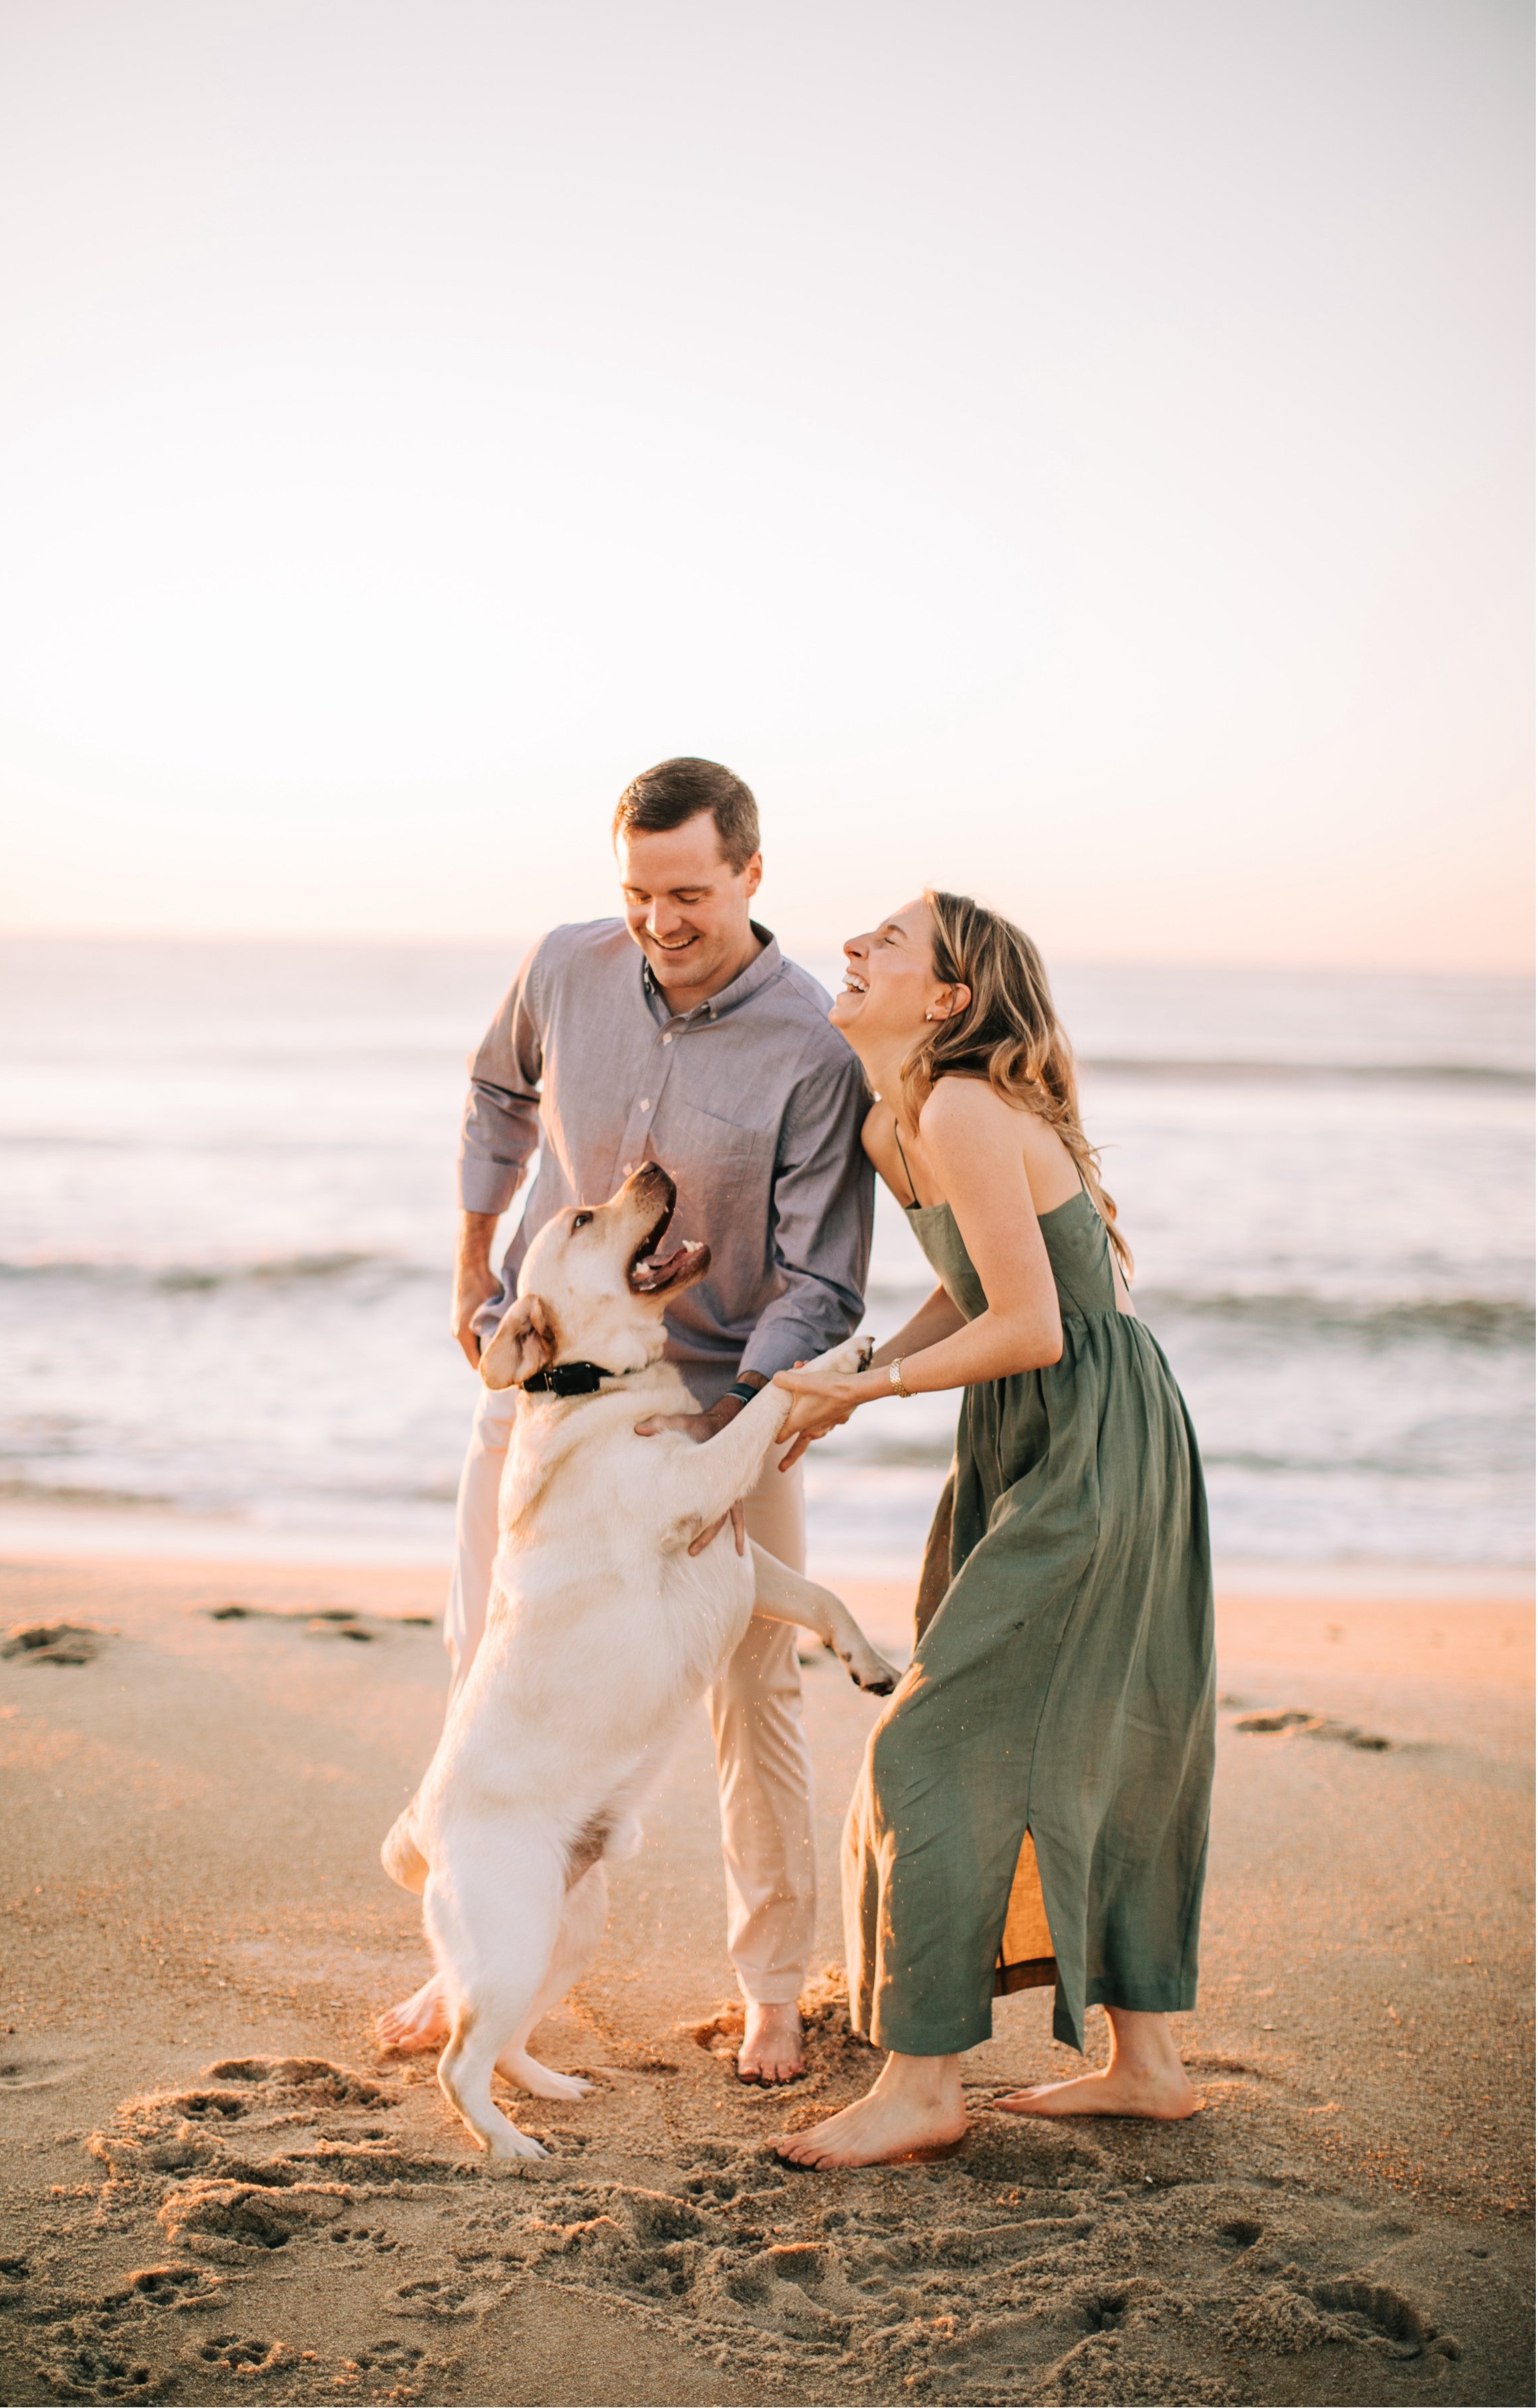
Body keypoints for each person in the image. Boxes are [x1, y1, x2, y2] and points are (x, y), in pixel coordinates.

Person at [375, 758, 874, 2085]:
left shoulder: (815, 1046)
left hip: (721, 1398)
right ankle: (497, 1973)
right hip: (558, 1400)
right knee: (498, 1659)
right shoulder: (565, 967)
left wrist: (745, 1432)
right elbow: (496, 1095)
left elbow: (822, 1273)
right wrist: (475, 1266)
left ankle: (772, 1991)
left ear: (753, 877)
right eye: (641, 892)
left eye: (692, 894)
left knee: (754, 1688)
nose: (661, 920)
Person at [767, 891, 1215, 2168]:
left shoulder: (961, 1105)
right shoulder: (893, 1120)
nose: (851, 948)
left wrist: (870, 1387)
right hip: (1043, 1435)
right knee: (1088, 1735)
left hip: (1088, 1437)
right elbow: (970, 1282)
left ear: (950, 1001)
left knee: (933, 1741)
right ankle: (1150, 2068)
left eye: (888, 943)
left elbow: (1035, 1327)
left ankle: (922, 2088)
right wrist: (854, 1379)